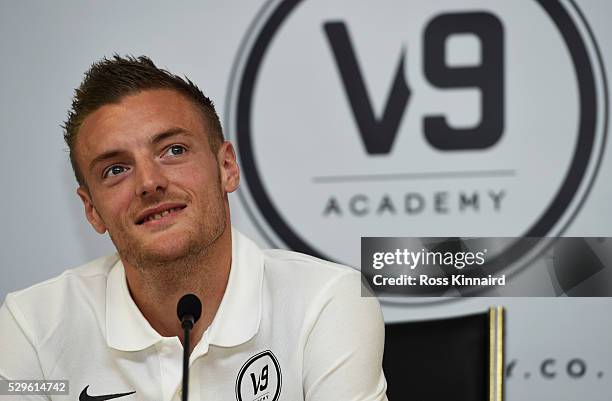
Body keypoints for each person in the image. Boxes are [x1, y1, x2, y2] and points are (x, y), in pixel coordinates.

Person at [0, 55, 388, 401]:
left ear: (227, 167)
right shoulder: (32, 325)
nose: (149, 182)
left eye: (174, 150)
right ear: (92, 209)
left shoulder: (325, 301)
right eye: (116, 170)